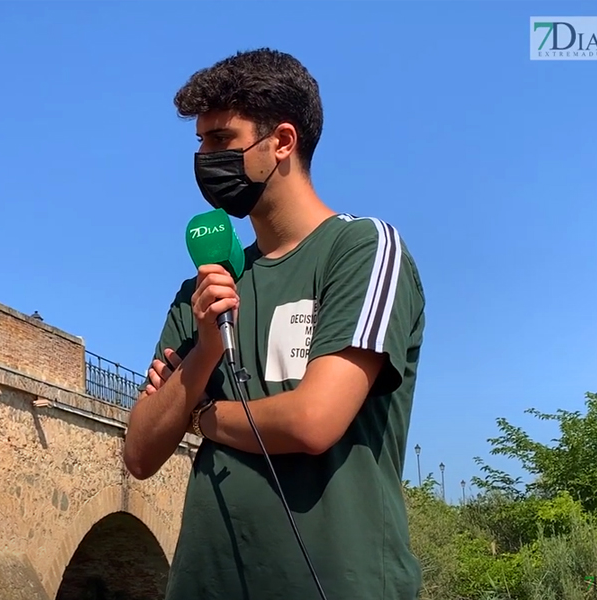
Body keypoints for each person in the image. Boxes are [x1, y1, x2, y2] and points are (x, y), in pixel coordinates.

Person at [123, 48, 426, 600]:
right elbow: (140, 452)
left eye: (222, 140)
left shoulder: (362, 249)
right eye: (200, 144)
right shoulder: (200, 290)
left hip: (339, 584)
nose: (205, 159)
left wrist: (200, 415)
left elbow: (313, 421)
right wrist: (207, 347)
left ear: (282, 142)